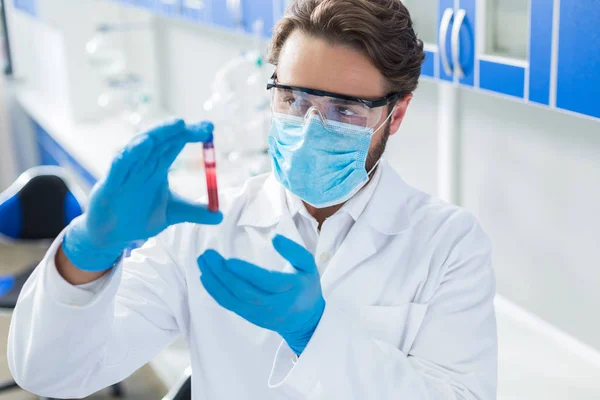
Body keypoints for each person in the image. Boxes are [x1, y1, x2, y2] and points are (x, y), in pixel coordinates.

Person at [8, 0, 497, 398]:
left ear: (397, 114)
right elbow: (53, 375)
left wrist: (315, 334)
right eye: (294, 99)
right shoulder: (204, 225)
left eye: (344, 109)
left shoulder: (448, 244)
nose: (309, 130)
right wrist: (89, 252)